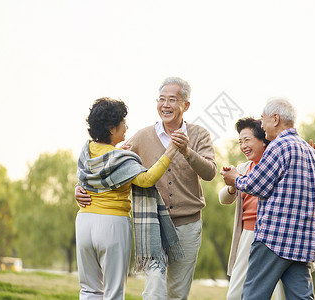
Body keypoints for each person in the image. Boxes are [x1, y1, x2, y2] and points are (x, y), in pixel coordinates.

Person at [76, 77, 217, 300]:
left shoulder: (199, 135)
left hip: (187, 224)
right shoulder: (142, 136)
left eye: (172, 100)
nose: (165, 105)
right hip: (151, 224)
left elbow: (210, 173)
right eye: (162, 99)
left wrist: (187, 152)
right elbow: (108, 162)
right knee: (154, 287)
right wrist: (81, 186)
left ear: (186, 105)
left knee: (177, 293)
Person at [221, 97, 315, 300]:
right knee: (301, 297)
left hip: (274, 240)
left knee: (253, 295)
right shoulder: (310, 151)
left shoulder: (278, 146)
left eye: (263, 119)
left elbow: (255, 185)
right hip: (302, 243)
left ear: (275, 119)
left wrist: (235, 178)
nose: (262, 125)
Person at [75, 97, 183, 300]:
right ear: (111, 129)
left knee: (88, 290)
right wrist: (170, 152)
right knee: (113, 292)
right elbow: (146, 179)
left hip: (84, 222)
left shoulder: (86, 152)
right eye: (123, 123)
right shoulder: (121, 159)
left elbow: (88, 177)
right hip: (112, 224)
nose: (127, 127)